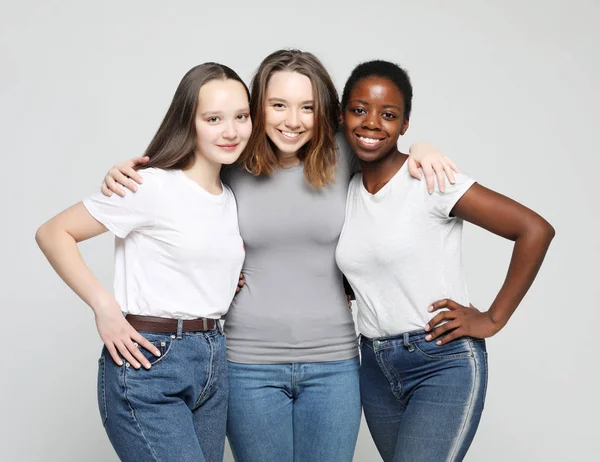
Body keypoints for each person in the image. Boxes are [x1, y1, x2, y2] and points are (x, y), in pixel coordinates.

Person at [101, 49, 458, 462]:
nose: (293, 120)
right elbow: (174, 192)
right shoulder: (231, 158)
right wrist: (119, 172)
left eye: (307, 107)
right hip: (246, 363)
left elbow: (383, 140)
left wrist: (424, 148)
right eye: (278, 106)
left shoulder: (343, 153)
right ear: (258, 108)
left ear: (324, 111)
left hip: (334, 362)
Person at [335, 60, 555, 462]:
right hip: (373, 368)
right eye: (359, 109)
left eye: (388, 115)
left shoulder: (431, 179)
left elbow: (534, 230)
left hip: (440, 361)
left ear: (404, 125)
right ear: (342, 115)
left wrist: (491, 319)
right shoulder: (345, 188)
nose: (371, 123)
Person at [35, 62, 252, 462]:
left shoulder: (233, 194)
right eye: (214, 118)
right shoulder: (150, 185)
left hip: (213, 360)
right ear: (189, 121)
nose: (231, 130)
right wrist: (105, 308)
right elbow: (53, 233)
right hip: (152, 361)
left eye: (241, 116)